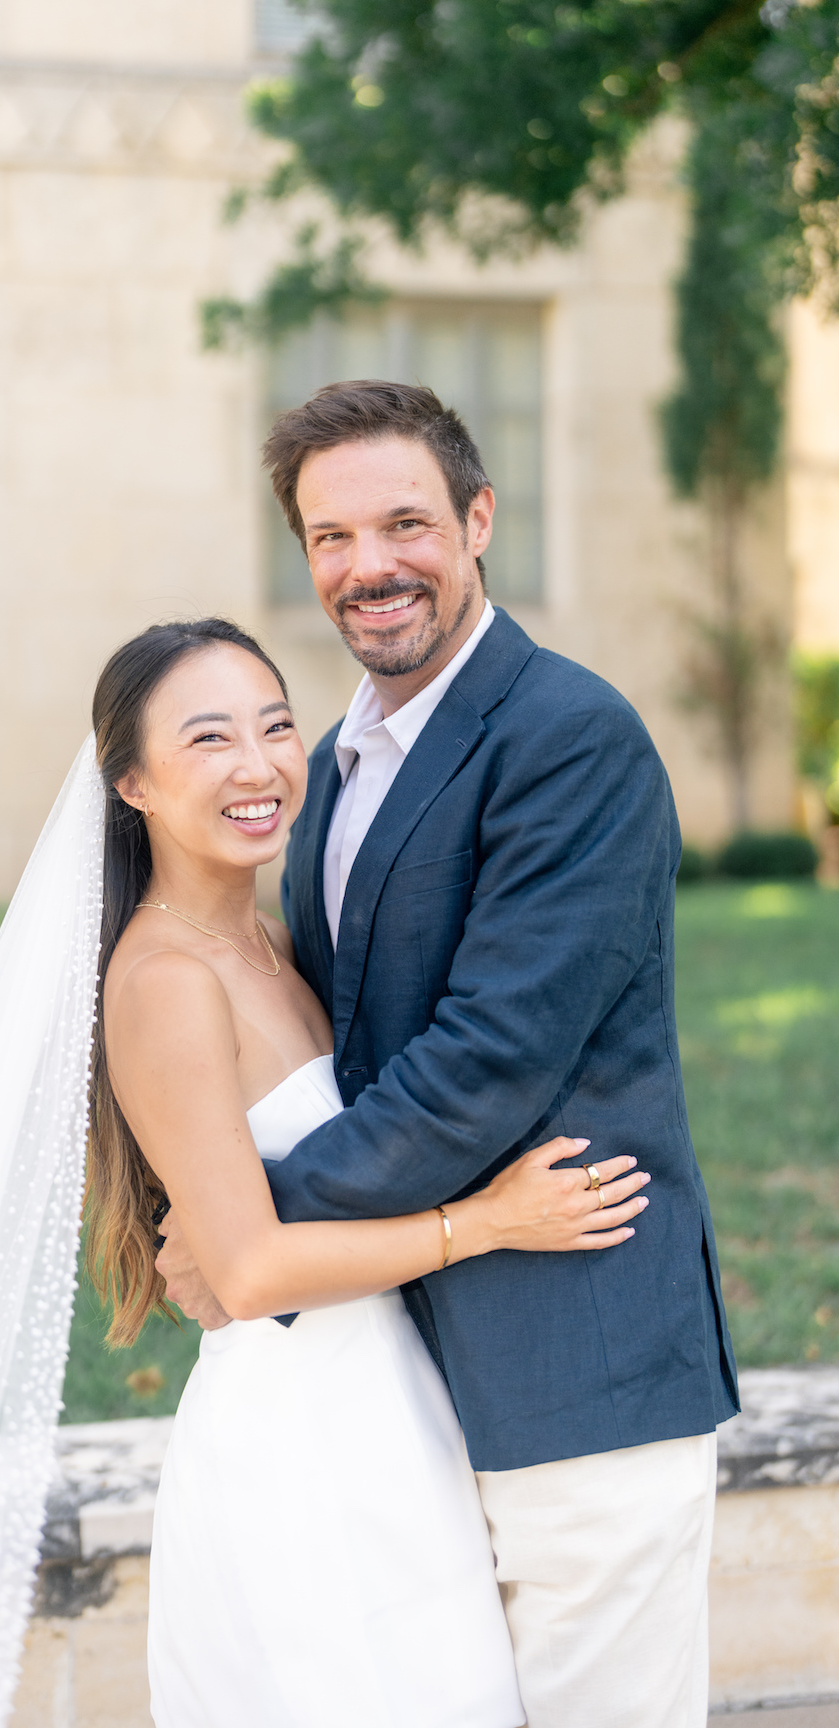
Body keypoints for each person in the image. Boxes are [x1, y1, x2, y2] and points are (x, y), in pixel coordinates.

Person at [156, 381, 741, 1728]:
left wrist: (253, 1230)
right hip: (401, 1394)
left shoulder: (567, 737)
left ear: (479, 521)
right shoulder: (342, 764)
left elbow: (488, 1061)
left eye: (406, 523)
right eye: (331, 538)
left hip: (575, 1373)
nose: (371, 567)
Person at [89, 616, 649, 1728]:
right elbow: (246, 1274)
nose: (258, 766)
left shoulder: (275, 942)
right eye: (209, 739)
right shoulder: (163, 981)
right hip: (299, 1446)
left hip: (391, 1412)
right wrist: (485, 1221)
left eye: (276, 725)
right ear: (135, 784)